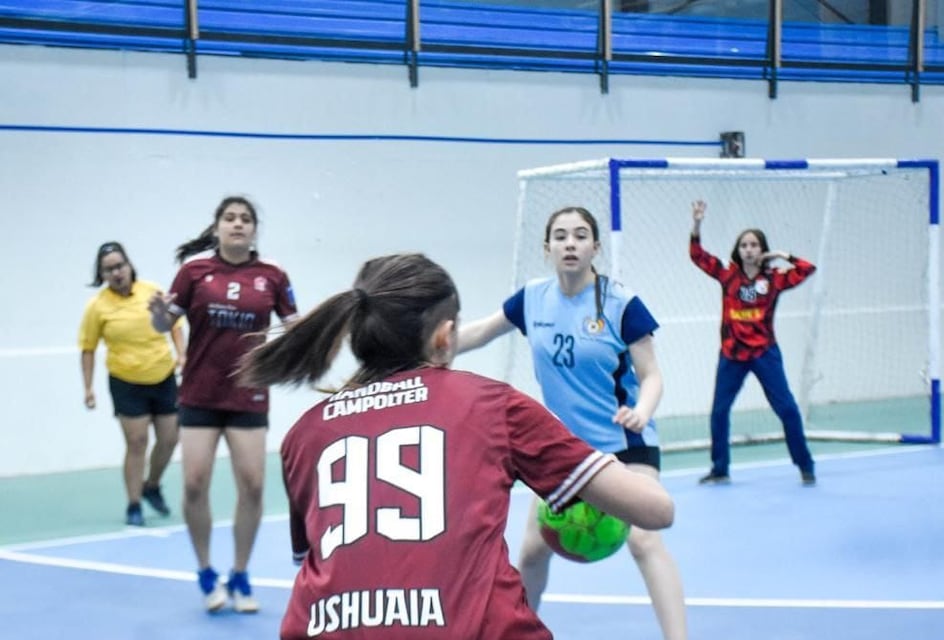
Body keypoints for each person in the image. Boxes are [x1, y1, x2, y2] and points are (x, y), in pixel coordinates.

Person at [236, 252, 676, 640]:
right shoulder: (491, 404)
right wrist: (602, 465)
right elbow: (656, 511)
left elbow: (324, 561)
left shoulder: (305, 433)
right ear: (446, 336)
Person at [456, 206, 688, 640]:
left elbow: (651, 374)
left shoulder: (621, 303)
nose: (570, 243)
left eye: (581, 236)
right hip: (563, 449)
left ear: (595, 247)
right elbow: (479, 333)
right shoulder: (532, 299)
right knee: (530, 552)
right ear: (547, 248)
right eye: (560, 236)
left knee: (643, 539)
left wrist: (644, 410)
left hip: (624, 443)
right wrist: (430, 348)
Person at [148, 196, 299, 614]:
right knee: (195, 484)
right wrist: (158, 315)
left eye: (245, 219)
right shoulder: (194, 271)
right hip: (199, 393)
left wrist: (308, 331)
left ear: (254, 230)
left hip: (248, 395)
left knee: (252, 486)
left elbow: (293, 327)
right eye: (229, 218)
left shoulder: (273, 275)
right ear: (216, 227)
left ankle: (240, 572)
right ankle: (205, 572)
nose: (237, 224)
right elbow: (164, 324)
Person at [689, 199, 817, 486]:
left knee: (786, 409)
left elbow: (808, 268)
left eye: (754, 245)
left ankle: (805, 465)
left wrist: (783, 255)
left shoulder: (774, 279)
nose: (749, 249)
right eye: (744, 245)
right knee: (719, 411)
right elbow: (697, 255)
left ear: (762, 250)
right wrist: (697, 224)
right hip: (731, 354)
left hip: (764, 354)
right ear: (738, 250)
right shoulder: (727, 275)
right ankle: (719, 468)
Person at [79, 241, 185, 527]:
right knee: (137, 442)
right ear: (102, 274)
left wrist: (182, 355)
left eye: (119, 266)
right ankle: (134, 503)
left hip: (162, 376)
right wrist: (88, 388)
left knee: (170, 438)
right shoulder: (97, 307)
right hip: (126, 382)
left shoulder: (151, 291)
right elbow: (87, 348)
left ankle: (152, 485)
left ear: (129, 265)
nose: (116, 273)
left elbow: (174, 325)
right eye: (109, 269)